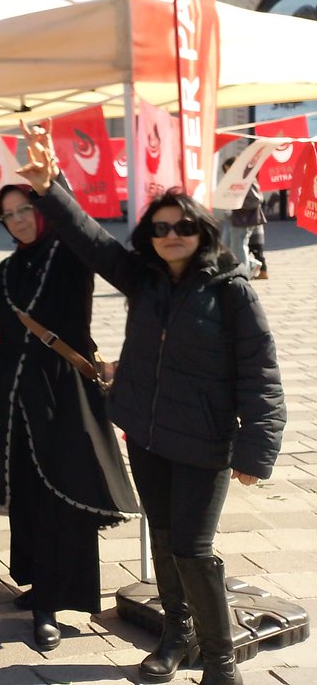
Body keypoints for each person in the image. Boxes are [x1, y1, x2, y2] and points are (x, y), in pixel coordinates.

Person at [18, 121, 285, 685]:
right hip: (146, 433)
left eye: (183, 226)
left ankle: (219, 660)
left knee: (193, 546)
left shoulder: (231, 290)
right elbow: (90, 239)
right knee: (164, 538)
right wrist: (49, 187)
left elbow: (261, 373)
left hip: (205, 442)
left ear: (202, 231)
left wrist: (256, 451)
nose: (171, 234)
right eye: (161, 227)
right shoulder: (144, 280)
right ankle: (177, 633)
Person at [0, 183, 139, 650]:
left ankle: (52, 603)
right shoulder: (10, 267)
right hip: (19, 398)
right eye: (8, 214)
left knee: (64, 495)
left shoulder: (69, 254)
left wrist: (52, 183)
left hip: (64, 393)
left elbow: (86, 233)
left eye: (25, 209)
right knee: (29, 495)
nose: (17, 219)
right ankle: (39, 582)